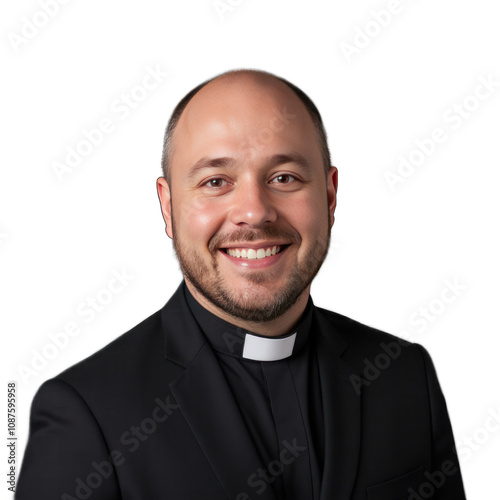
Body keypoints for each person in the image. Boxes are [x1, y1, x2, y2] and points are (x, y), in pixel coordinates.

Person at [16, 69, 467, 500]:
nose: (254, 211)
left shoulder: (405, 375)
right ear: (168, 207)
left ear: (329, 197)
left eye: (284, 178)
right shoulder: (87, 411)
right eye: (216, 181)